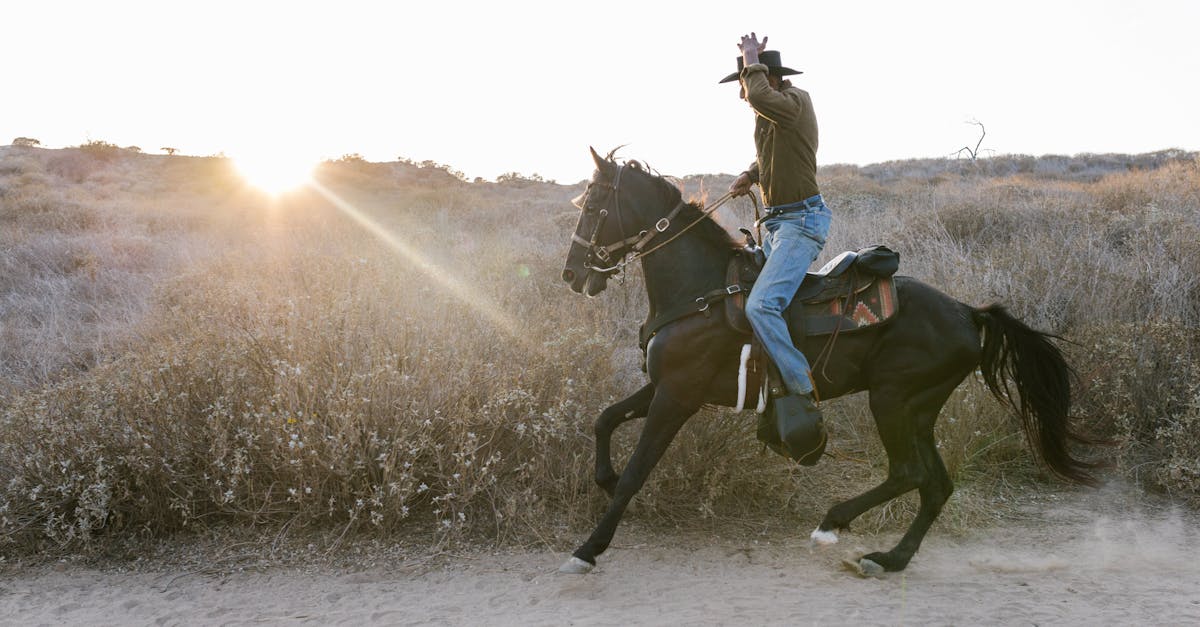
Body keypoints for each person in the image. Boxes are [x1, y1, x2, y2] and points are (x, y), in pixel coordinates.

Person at [722, 33, 831, 418]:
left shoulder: (796, 101)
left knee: (762, 305)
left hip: (801, 222)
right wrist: (750, 174)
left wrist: (750, 59)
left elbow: (758, 97)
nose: (742, 93)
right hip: (779, 222)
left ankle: (802, 387)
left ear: (768, 77)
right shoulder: (774, 113)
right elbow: (772, 154)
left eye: (745, 81)